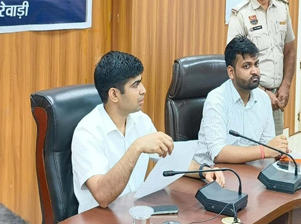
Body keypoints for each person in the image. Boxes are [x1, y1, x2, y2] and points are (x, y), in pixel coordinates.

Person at [72, 51, 224, 213]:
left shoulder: (141, 120)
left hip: (133, 210)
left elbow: (171, 159)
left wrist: (203, 170)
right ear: (114, 94)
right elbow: (102, 196)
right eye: (135, 85)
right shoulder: (87, 133)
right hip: (99, 216)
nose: (143, 90)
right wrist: (136, 148)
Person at [228, 0, 296, 137]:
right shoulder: (241, 14)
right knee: (251, 147)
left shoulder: (282, 8)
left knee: (276, 149)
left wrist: (286, 85)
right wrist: (263, 92)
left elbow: (289, 49)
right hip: (250, 96)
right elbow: (234, 62)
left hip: (277, 98)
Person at [194, 36, 289, 164]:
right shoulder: (216, 100)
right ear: (231, 72)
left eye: (256, 64)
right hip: (212, 171)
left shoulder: (263, 99)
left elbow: (268, 146)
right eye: (246, 66)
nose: (255, 71)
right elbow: (218, 153)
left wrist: (277, 150)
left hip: (249, 170)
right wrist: (264, 151)